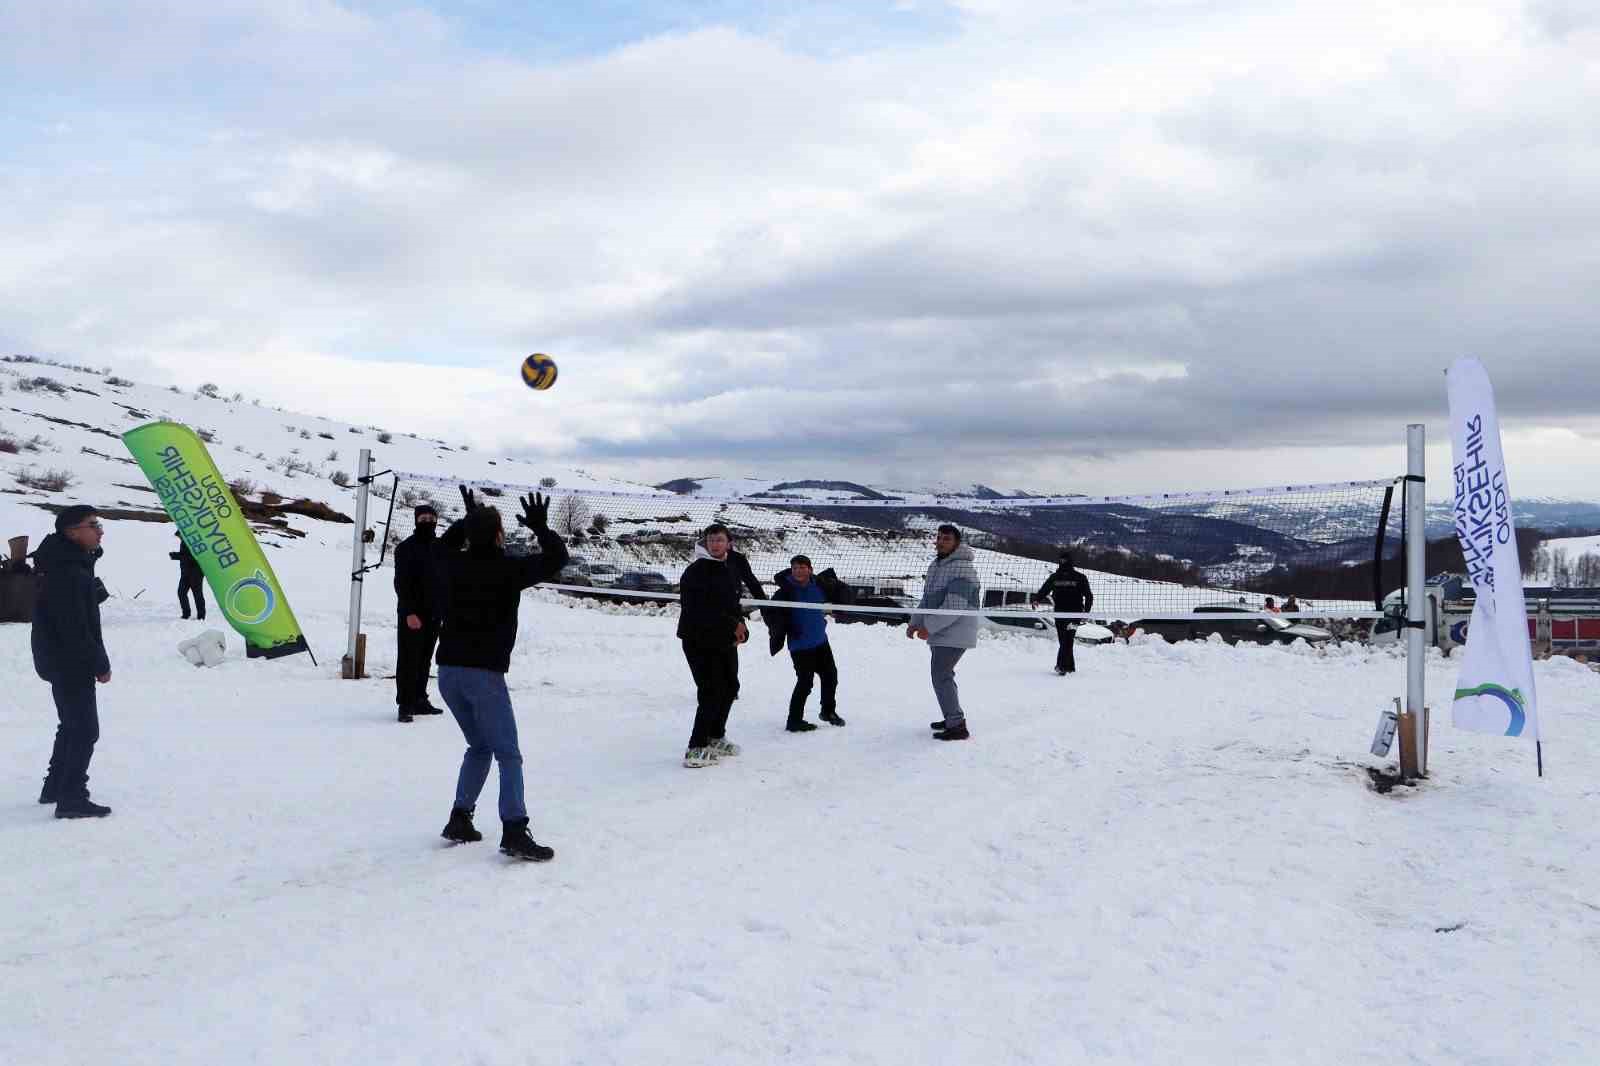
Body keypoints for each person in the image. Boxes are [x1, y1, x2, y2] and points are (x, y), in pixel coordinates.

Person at [434, 488, 568, 862]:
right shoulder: (508, 567)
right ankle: (514, 830)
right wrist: (541, 528)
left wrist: (465, 523)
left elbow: (440, 549)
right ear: (498, 536)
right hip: (483, 675)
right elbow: (558, 557)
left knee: (479, 746)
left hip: (447, 673)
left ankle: (460, 818)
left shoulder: (453, 563)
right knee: (508, 754)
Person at [31, 505, 113, 818]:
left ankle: (55, 786)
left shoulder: (67, 561)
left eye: (99, 524)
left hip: (59, 656)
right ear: (72, 532)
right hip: (68, 659)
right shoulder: (67, 571)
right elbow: (75, 628)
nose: (100, 530)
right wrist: (100, 663)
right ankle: (71, 797)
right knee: (84, 730)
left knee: (71, 724)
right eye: (93, 525)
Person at [677, 523, 750, 767]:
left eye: (719, 540)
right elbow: (698, 609)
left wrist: (741, 626)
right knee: (711, 691)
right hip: (698, 639)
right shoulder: (696, 571)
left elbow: (732, 604)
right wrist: (732, 624)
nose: (715, 544)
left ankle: (715, 736)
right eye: (711, 540)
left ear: (729, 543)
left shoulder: (729, 567)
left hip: (723, 639)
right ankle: (696, 748)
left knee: (729, 687)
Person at [908, 524, 981, 741]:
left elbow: (953, 607)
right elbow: (927, 600)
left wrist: (928, 627)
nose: (940, 542)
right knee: (943, 676)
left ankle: (956, 725)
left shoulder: (962, 569)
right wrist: (915, 622)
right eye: (939, 537)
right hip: (943, 633)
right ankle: (952, 717)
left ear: (957, 543)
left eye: (946, 538)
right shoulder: (937, 565)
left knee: (941, 676)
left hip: (955, 633)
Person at [767, 554, 852, 732]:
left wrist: (839, 608)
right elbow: (771, 613)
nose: (798, 571)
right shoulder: (785, 591)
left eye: (802, 567)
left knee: (831, 677)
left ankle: (828, 711)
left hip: (820, 640)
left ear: (810, 570)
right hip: (800, 645)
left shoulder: (819, 585)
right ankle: (794, 721)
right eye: (795, 568)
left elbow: (841, 594)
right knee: (805, 683)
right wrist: (781, 628)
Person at [393, 503, 448, 723]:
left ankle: (419, 699)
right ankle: (405, 704)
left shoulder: (440, 547)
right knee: (409, 658)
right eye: (423, 519)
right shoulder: (405, 548)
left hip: (434, 613)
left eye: (431, 519)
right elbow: (401, 584)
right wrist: (409, 612)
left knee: (425, 658)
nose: (428, 522)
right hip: (412, 614)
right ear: (416, 520)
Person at [1033, 549, 1094, 675]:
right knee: (1064, 640)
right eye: (1061, 560)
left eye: (1065, 560)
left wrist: (1085, 613)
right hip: (1059, 614)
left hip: (1074, 615)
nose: (1063, 562)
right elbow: (1045, 589)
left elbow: (1089, 596)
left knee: (1067, 639)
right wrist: (1036, 600)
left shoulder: (1080, 577)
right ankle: (1070, 667)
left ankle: (1061, 666)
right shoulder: (1055, 577)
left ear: (1069, 561)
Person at [170, 533, 206, 620]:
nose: (179, 538)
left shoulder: (193, 542)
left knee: (197, 594)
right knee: (181, 593)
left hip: (196, 573)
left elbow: (194, 556)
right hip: (185, 573)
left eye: (179, 536)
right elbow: (185, 555)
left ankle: (201, 616)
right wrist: (177, 555)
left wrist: (176, 556)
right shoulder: (183, 542)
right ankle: (186, 614)